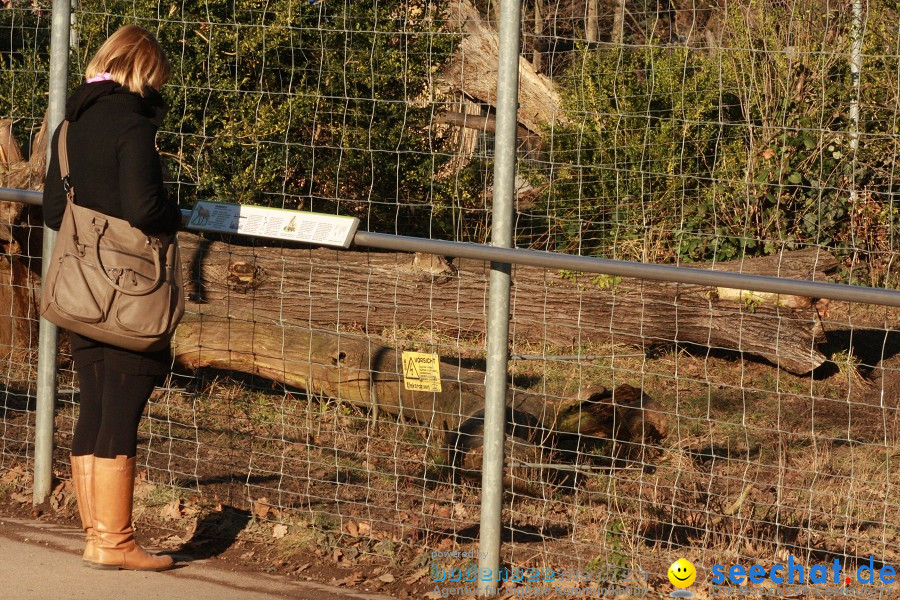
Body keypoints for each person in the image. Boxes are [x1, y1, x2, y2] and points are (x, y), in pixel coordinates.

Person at [42, 24, 183, 571]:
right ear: (143, 71)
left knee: (95, 404)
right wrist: (178, 213)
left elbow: (56, 211)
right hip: (132, 294)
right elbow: (145, 208)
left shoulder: (69, 126)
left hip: (81, 291)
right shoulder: (134, 127)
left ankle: (95, 536)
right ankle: (116, 543)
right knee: (122, 409)